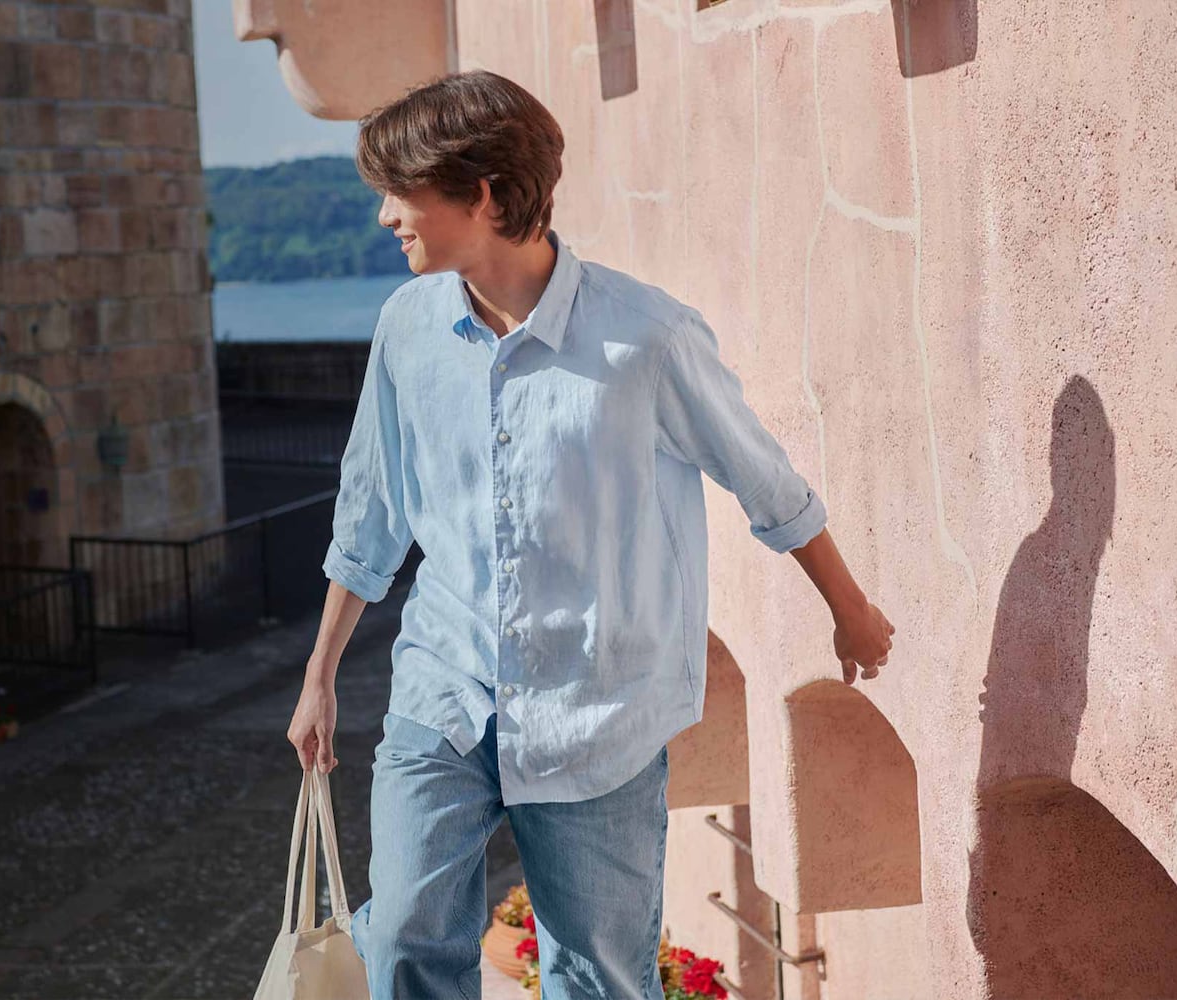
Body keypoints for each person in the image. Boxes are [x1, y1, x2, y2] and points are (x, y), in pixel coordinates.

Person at [285, 69, 895, 1000]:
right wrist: (321, 674)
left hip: (597, 710)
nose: (385, 216)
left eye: (400, 192)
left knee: (599, 979)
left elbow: (764, 480)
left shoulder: (646, 339)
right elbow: (371, 509)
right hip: (445, 689)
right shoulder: (407, 327)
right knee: (404, 934)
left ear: (481, 194)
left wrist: (850, 611)